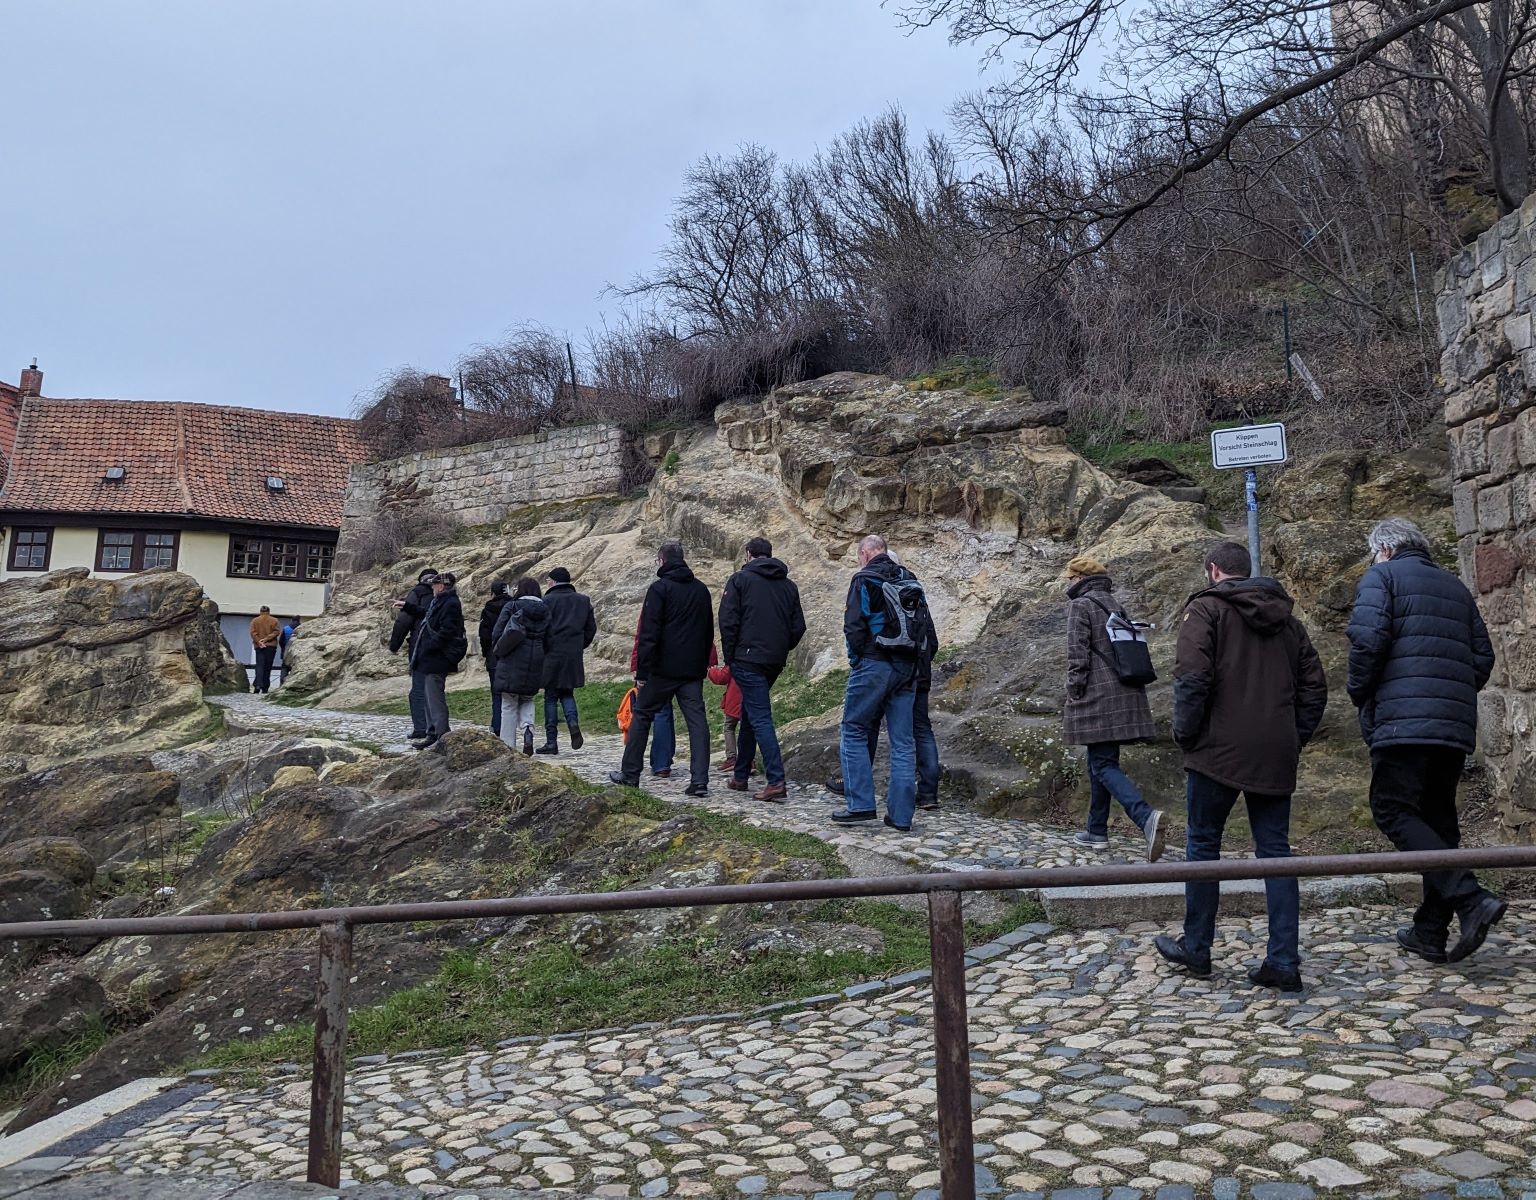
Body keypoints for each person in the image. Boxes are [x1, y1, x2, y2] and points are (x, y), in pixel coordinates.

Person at [1155, 541, 1327, 993]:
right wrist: (1292, 736)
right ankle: (1284, 960)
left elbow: (1192, 677)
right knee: (1276, 852)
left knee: (1203, 846)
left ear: (1213, 570)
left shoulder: (1206, 612)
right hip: (1274, 750)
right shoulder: (1289, 622)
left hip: (1215, 750)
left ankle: (1197, 948)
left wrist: (1185, 735)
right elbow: (1315, 688)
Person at [1347, 517, 1504, 964]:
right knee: (1439, 824)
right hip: (1451, 726)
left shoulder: (1382, 577)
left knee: (1393, 809)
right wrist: (1449, 695)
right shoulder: (1454, 586)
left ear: (1384, 549)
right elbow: (1482, 657)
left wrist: (1362, 692)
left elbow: (1366, 640)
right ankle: (1429, 931)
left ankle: (1471, 899)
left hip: (1403, 723)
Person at [1062, 555, 1166, 861]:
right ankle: (1096, 830)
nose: (1068, 582)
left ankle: (1144, 817)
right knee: (1101, 760)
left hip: (1097, 694)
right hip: (1124, 691)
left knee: (1103, 764)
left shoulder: (1080, 605)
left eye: (1070, 577)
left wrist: (1074, 691)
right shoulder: (1113, 604)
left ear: (1080, 579)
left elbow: (1077, 654)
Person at [832, 534, 931, 832]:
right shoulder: (909, 577)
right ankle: (901, 816)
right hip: (908, 668)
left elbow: (853, 625)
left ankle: (860, 804)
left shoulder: (864, 578)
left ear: (864, 553)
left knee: (853, 729)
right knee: (903, 742)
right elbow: (924, 625)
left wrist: (858, 661)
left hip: (874, 663)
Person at [609, 542, 714, 796]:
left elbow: (649, 633)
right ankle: (699, 780)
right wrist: (701, 664)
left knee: (643, 715)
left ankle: (630, 774)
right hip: (691, 669)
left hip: (662, 669)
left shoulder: (659, 589)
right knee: (697, 722)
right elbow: (708, 631)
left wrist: (642, 672)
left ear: (662, 561)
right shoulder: (701, 590)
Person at [719, 537, 807, 803]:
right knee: (749, 711)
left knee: (759, 717)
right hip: (773, 660)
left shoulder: (739, 581)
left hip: (747, 658)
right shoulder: (788, 586)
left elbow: (728, 620)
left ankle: (776, 780)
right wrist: (781, 648)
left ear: (748, 555)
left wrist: (731, 655)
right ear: (769, 555)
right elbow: (798, 627)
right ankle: (741, 775)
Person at [397, 571, 467, 750]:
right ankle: (432, 732)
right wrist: (407, 606)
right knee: (429, 697)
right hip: (432, 657)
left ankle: (441, 734)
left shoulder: (450, 603)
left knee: (435, 698)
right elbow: (427, 613)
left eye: (435, 585)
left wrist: (429, 646)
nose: (433, 588)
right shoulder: (442, 600)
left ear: (441, 586)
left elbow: (447, 630)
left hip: (437, 657)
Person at [538, 567, 597, 754]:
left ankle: (551, 742)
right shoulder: (583, 600)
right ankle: (573, 724)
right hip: (572, 654)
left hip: (551, 654)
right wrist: (579, 645)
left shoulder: (546, 601)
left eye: (548, 580)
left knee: (550, 697)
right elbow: (590, 629)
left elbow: (541, 629)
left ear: (554, 581)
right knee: (567, 693)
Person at [491, 577, 552, 756]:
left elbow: (497, 631)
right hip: (536, 659)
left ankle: (508, 747)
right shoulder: (545, 610)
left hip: (512, 657)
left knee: (508, 703)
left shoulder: (512, 606)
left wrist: (498, 649)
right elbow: (550, 638)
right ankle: (527, 729)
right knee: (527, 698)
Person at [390, 567, 442, 740]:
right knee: (435, 689)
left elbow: (403, 621)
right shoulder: (443, 595)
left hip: (420, 646)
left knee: (418, 689)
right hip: (439, 648)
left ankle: (421, 728)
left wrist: (394, 645)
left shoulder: (417, 593)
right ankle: (436, 727)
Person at [630, 611, 680, 777]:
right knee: (693, 717)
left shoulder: (657, 599)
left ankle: (661, 763)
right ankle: (667, 760)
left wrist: (637, 667)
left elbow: (643, 637)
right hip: (687, 663)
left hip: (657, 666)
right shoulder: (692, 593)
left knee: (661, 711)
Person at [478, 581, 512, 738]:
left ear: (493, 593)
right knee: (512, 696)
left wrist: (487, 653)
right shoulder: (515, 606)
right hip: (513, 655)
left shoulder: (488, 609)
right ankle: (511, 728)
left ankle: (497, 726)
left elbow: (484, 636)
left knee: (496, 694)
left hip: (494, 656)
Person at [708, 660, 744, 772]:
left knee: (729, 727)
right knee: (748, 729)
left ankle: (731, 758)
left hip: (734, 700)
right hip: (751, 699)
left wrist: (712, 670)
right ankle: (748, 760)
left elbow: (721, 678)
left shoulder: (736, 659)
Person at [249, 606, 281, 694]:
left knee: (259, 665)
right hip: (271, 646)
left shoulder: (255, 621)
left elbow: (253, 632)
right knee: (268, 666)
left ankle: (258, 685)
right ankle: (265, 687)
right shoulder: (274, 620)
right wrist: (266, 639)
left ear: (260, 611)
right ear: (269, 612)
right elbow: (276, 632)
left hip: (259, 646)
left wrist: (259, 641)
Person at [278, 616, 301, 684]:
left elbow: (281, 641)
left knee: (284, 668)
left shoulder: (286, 628)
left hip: (287, 652)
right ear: (299, 620)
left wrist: (283, 649)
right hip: (298, 652)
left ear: (291, 620)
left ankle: (282, 683)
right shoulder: (302, 628)